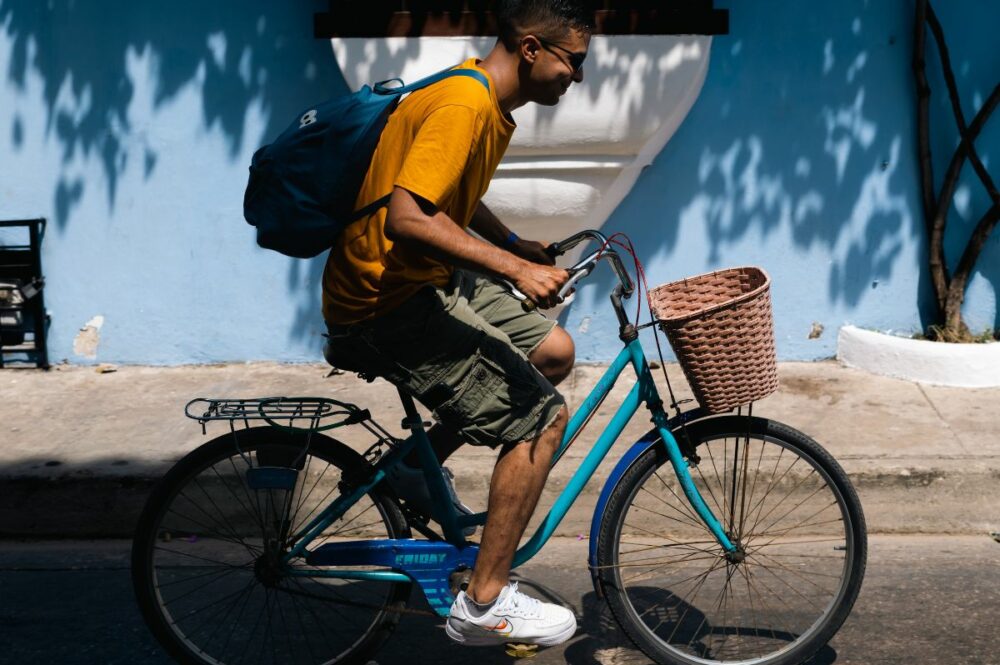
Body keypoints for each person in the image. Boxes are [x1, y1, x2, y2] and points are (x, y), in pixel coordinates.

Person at [322, 0, 591, 648]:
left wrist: (515, 243)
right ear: (531, 49)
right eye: (572, 61)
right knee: (543, 415)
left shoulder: (483, 100)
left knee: (554, 350)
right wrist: (513, 270)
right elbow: (410, 218)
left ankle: (416, 464)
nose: (576, 77)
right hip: (385, 301)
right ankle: (483, 602)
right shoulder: (464, 105)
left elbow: (447, 193)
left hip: (425, 277)